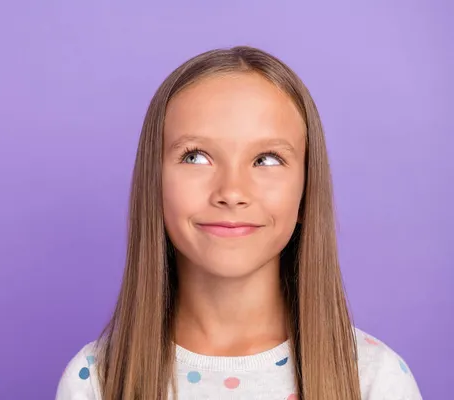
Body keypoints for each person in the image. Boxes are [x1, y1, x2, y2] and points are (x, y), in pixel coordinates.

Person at [55, 46, 422, 400]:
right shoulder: (97, 381)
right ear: (154, 183)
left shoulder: (374, 381)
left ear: (306, 189)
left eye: (266, 159)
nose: (232, 192)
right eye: (196, 157)